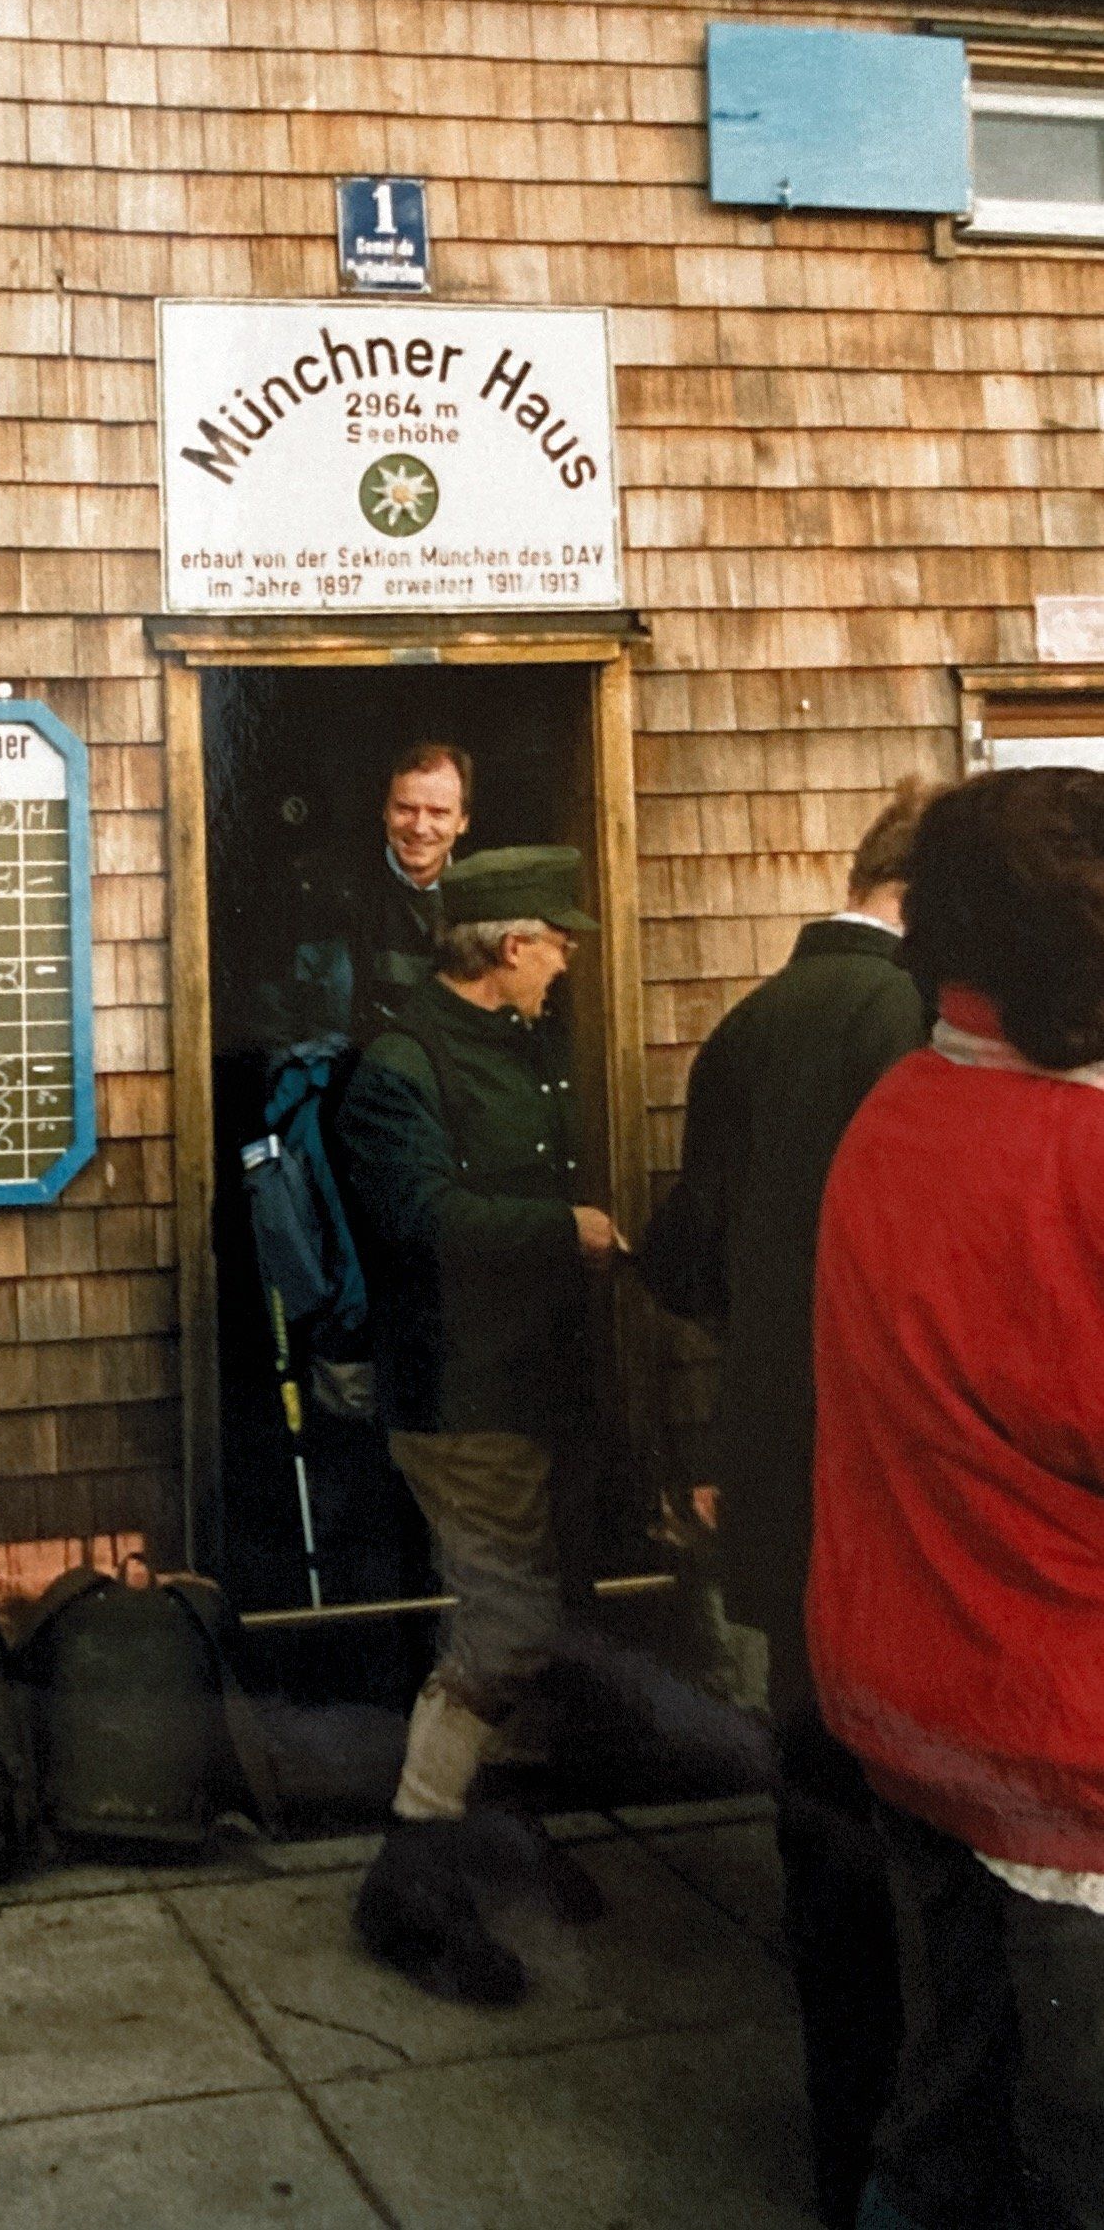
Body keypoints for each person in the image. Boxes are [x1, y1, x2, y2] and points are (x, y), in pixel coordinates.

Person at [808, 766, 1104, 2230]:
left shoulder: (901, 1106)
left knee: (944, 2114)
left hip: (909, 1701)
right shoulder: (1079, 1149)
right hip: (1064, 1751)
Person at [635, 782, 931, 2229]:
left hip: (775, 1476)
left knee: (818, 1821)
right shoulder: (930, 1029)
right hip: (906, 1487)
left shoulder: (748, 1023)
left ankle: (841, 2151)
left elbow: (689, 1257)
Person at [333, 844, 621, 2000]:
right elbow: (421, 1216)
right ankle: (412, 1863)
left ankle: (482, 1831)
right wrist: (567, 1229)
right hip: (465, 1401)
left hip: (539, 1388)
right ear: (510, 947)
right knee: (503, 1626)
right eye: (556, 943)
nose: (564, 964)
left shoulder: (518, 1044)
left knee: (532, 1614)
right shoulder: (401, 1065)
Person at [272, 740, 475, 1044]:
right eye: (405, 809)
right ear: (385, 811)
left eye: (438, 813)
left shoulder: (484, 899)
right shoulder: (326, 890)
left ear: (463, 822)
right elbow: (279, 1014)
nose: (419, 827)